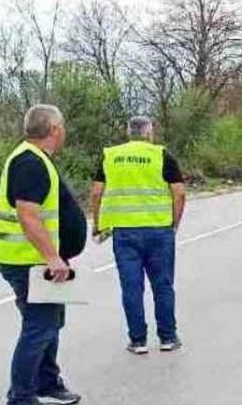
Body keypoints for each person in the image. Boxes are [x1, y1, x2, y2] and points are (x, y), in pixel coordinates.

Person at [0, 105, 83, 405]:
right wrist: (52, 257)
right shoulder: (29, 162)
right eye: (63, 127)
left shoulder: (35, 158)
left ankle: (47, 381)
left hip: (36, 258)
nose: (64, 132)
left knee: (51, 322)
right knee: (40, 326)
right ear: (55, 130)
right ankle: (21, 397)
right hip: (28, 260)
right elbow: (28, 215)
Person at [90, 116, 186, 355]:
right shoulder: (162, 155)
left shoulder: (111, 156)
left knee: (131, 288)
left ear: (128, 132)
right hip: (158, 231)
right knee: (163, 285)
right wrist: (173, 224)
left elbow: (96, 193)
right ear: (149, 132)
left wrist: (98, 224)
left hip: (125, 233)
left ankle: (138, 340)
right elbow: (179, 193)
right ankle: (168, 337)